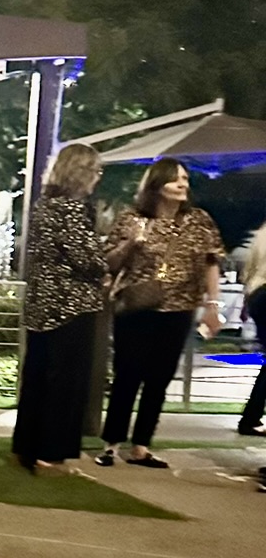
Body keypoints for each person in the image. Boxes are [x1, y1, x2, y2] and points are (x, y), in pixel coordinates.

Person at [97, 160, 223, 469]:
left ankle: (141, 446)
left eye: (185, 178)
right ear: (156, 184)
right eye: (175, 179)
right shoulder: (131, 219)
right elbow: (109, 262)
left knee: (160, 379)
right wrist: (131, 243)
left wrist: (213, 305)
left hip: (180, 308)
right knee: (128, 376)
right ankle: (111, 443)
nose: (183, 184)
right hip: (137, 308)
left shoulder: (199, 220)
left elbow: (211, 263)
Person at [11, 142, 108, 473]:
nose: (98, 177)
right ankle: (51, 452)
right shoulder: (72, 210)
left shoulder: (44, 206)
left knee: (38, 377)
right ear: (81, 172)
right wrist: (108, 255)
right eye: (95, 170)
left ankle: (26, 445)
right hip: (70, 306)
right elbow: (89, 260)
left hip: (41, 305)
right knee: (66, 382)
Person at [237, 225, 266, 436]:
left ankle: (251, 417)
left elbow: (248, 270)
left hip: (258, 293)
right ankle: (250, 418)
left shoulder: (261, 233)